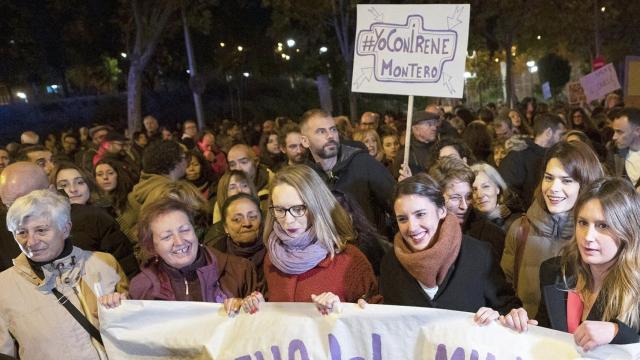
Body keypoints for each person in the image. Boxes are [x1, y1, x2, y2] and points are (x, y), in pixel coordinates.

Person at [500, 178, 640, 349]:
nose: (588, 237)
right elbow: (546, 334)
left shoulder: (636, 285)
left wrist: (617, 332)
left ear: (627, 231)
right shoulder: (555, 272)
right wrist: (520, 327)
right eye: (583, 223)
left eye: (603, 226)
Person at [0, 189, 128, 359]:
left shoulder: (104, 264)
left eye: (41, 230)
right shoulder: (4, 286)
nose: (31, 242)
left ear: (65, 229)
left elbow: (132, 329)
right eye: (22, 232)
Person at [379, 174, 521, 321]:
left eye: (420, 214)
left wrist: (500, 315)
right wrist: (367, 310)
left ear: (441, 211)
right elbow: (389, 321)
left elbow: (509, 308)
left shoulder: (479, 255)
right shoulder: (390, 263)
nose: (412, 227)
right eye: (402, 219)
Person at [242, 165, 379, 314]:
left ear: (317, 206)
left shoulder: (350, 259)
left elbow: (374, 320)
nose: (288, 220)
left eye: (298, 209)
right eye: (280, 210)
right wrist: (261, 306)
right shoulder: (271, 258)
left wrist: (341, 309)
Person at [501, 140, 604, 318]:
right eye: (549, 178)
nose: (553, 188)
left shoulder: (600, 237)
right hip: (527, 337)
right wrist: (512, 314)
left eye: (566, 180)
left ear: (586, 185)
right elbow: (503, 291)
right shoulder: (520, 229)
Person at [100, 198, 257, 314]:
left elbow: (264, 327)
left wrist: (251, 307)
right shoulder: (141, 288)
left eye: (184, 230)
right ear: (152, 246)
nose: (179, 241)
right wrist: (116, 308)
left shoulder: (239, 269)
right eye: (167, 236)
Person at [300, 109, 394, 231]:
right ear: (305, 141)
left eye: (333, 129)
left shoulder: (364, 163)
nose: (330, 136)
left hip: (368, 247)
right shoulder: (304, 177)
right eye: (321, 131)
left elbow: (396, 204)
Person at [499, 113, 567, 209]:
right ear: (548, 133)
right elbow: (507, 192)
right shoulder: (517, 157)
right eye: (561, 135)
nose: (564, 140)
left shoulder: (557, 156)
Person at [219, 193, 267, 293]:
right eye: (237, 219)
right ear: (226, 227)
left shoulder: (276, 252)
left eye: (252, 217)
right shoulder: (216, 257)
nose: (247, 223)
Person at [470, 162, 523, 234]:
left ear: (497, 188)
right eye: (474, 190)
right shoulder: (467, 224)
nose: (480, 195)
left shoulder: (517, 223)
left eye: (486, 186)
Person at [607, 107, 640, 185]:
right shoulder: (614, 152)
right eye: (614, 131)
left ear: (638, 131)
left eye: (619, 132)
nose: (614, 137)